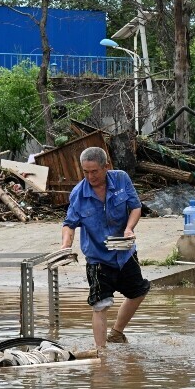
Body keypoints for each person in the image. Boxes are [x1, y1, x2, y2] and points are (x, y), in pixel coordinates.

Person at [60, 147, 150, 348]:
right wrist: (66, 246)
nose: (90, 176)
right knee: (100, 305)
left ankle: (117, 333)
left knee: (139, 291)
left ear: (106, 167)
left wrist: (129, 228)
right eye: (86, 172)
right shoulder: (78, 194)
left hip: (124, 252)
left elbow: (135, 207)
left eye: (94, 171)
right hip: (98, 258)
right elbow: (69, 224)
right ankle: (101, 354)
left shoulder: (121, 179)